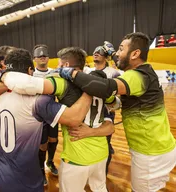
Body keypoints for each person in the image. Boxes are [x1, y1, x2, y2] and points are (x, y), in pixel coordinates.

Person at [0, 47, 117, 192]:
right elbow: (76, 118)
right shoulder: (38, 99)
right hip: (24, 177)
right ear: (30, 71)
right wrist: (92, 88)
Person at [55, 32, 176, 192]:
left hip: (150, 154)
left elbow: (105, 88)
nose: (116, 54)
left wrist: (70, 72)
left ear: (135, 53)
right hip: (160, 146)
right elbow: (125, 102)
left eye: (120, 49)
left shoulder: (136, 76)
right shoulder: (146, 71)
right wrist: (113, 102)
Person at [92, 45, 121, 175]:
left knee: (105, 142)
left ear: (106, 56)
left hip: (107, 112)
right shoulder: (88, 71)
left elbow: (119, 94)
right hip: (92, 113)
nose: (95, 53)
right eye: (94, 51)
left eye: (99, 51)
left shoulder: (113, 72)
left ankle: (103, 173)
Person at [33, 44, 59, 186]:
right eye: (39, 56)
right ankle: (41, 170)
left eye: (45, 55)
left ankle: (50, 161)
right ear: (34, 59)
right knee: (42, 145)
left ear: (49, 58)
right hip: (38, 116)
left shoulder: (55, 72)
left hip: (53, 112)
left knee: (53, 140)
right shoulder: (30, 74)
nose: (42, 57)